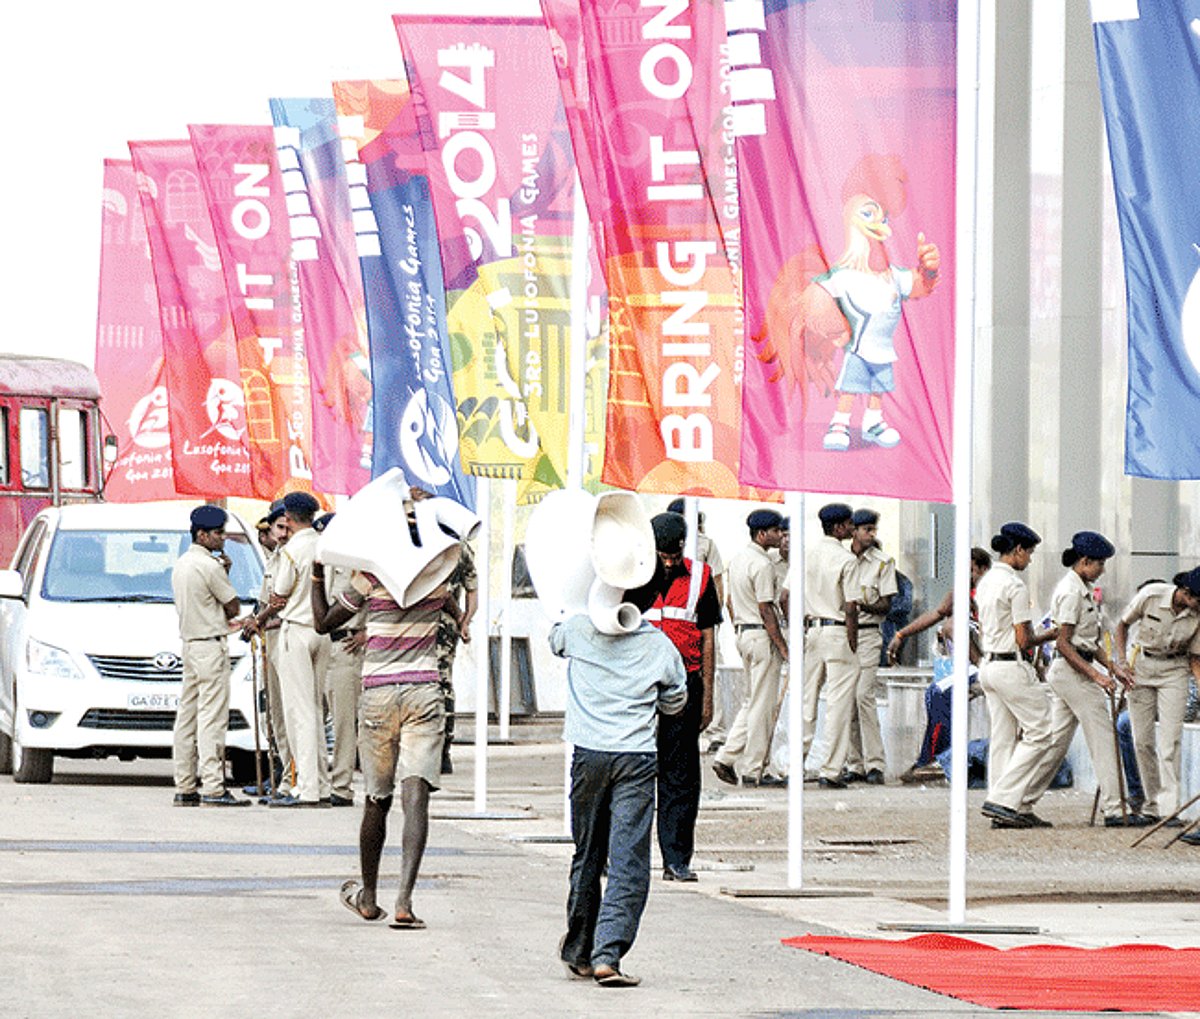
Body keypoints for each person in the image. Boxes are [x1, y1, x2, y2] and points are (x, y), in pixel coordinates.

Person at [315, 520, 457, 929]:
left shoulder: (371, 575)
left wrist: (316, 573)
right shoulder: (440, 569)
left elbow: (325, 623)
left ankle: (369, 895)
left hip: (378, 695)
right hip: (425, 692)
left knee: (377, 799)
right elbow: (451, 606)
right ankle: (405, 902)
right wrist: (459, 616)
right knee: (417, 798)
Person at [552, 598, 687, 987]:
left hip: (588, 756)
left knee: (588, 852)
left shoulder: (576, 630)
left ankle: (579, 950)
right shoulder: (659, 644)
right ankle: (607, 955)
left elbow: (554, 638)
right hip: (637, 756)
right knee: (628, 859)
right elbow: (676, 700)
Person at [1025, 532, 1147, 827]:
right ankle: (1116, 809)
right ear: (1084, 561)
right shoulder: (1070, 591)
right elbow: (1064, 644)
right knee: (1104, 739)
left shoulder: (1084, 588)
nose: (1103, 569)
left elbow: (1089, 643)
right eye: (1100, 563)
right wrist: (1097, 676)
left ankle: (1018, 802)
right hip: (1073, 674)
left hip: (1075, 670)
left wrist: (1113, 668)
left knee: (1055, 744)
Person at [643, 511, 721, 882]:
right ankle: (621, 856)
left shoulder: (701, 578)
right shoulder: (632, 575)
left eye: (674, 556)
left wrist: (707, 694)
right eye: (663, 557)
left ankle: (676, 859)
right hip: (638, 689)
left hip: (685, 685)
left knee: (680, 777)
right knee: (632, 773)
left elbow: (708, 637)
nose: (669, 563)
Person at [975, 522, 1058, 829]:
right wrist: (1050, 635)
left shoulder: (985, 582)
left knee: (1003, 737)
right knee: (1041, 732)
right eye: (1030, 553)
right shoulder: (1015, 586)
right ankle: (1004, 799)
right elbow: (1024, 639)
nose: (1031, 560)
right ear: (1018, 550)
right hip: (1011, 665)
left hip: (989, 664)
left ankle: (1006, 806)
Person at [169, 505, 249, 807]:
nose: (223, 538)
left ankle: (185, 784)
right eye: (218, 534)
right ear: (202, 535)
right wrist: (224, 573)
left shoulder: (182, 564)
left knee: (186, 718)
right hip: (210, 646)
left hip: (190, 645)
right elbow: (233, 606)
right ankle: (214, 786)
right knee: (212, 718)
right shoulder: (210, 566)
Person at [891, 548, 991, 782]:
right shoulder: (961, 594)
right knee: (936, 694)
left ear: (983, 569)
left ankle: (936, 760)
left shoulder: (987, 593)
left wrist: (979, 662)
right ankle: (934, 759)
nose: (967, 575)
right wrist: (902, 635)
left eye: (972, 570)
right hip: (967, 667)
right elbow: (936, 614)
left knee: (940, 694)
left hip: (987, 665)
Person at [1113, 566, 1200, 825]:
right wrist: (1121, 662)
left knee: (1170, 742)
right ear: (1185, 592)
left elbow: (1196, 657)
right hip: (1142, 667)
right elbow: (1122, 625)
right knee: (1142, 740)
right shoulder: (1151, 595)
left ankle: (1168, 809)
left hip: (1175, 670)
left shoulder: (1198, 615)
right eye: (1198, 599)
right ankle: (1151, 805)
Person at [712, 509, 788, 787]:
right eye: (776, 531)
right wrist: (782, 645)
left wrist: (740, 630)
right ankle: (754, 769)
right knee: (762, 707)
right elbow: (766, 608)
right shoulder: (763, 564)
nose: (780, 536)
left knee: (752, 701)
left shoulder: (738, 559)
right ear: (762, 534)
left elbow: (731, 602)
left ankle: (726, 757)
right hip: (760, 635)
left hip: (744, 634)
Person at [268, 491, 332, 808]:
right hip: (324, 631)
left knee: (300, 713)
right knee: (317, 712)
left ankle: (305, 789)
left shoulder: (292, 549)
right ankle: (320, 783)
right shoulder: (326, 544)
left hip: (297, 629)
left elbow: (280, 592)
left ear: (290, 519)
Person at [799, 503, 860, 789]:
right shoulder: (847, 560)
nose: (851, 529)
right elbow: (851, 606)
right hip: (837, 631)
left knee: (806, 700)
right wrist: (853, 641)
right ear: (838, 528)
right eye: (849, 524)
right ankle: (831, 770)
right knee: (838, 704)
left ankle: (793, 763)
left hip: (812, 630)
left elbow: (787, 596)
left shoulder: (806, 554)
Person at [666, 497, 728, 753]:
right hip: (685, 624)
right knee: (706, 673)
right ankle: (714, 731)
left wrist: (711, 621)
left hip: (687, 623)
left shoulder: (705, 545)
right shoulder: (704, 544)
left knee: (707, 672)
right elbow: (719, 583)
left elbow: (716, 583)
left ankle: (715, 730)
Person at [842, 509, 898, 784]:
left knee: (864, 695)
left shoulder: (882, 562)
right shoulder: (840, 558)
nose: (871, 535)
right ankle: (855, 763)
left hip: (867, 633)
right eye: (866, 530)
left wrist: (859, 604)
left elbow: (887, 604)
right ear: (853, 530)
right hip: (841, 633)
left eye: (873, 530)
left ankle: (875, 762)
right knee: (847, 699)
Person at [243, 502, 292, 799]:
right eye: (279, 528)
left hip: (289, 639)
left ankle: (290, 778)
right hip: (270, 642)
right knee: (273, 714)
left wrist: (259, 620)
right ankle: (279, 774)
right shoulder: (275, 558)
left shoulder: (293, 556)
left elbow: (281, 603)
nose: (284, 534)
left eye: (288, 527)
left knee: (290, 714)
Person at [314, 512, 362, 808]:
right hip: (324, 644)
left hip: (348, 643)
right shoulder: (325, 562)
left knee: (345, 721)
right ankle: (317, 780)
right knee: (317, 713)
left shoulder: (359, 562)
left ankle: (342, 786)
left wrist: (368, 631)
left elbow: (378, 598)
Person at [436, 541, 478, 775]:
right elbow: (473, 590)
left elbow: (439, 591)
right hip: (448, 626)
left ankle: (435, 749)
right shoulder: (462, 548)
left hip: (420, 622)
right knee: (444, 684)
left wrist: (461, 617)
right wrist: (464, 620)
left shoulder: (426, 539)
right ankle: (444, 749)